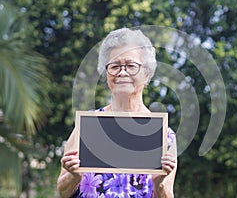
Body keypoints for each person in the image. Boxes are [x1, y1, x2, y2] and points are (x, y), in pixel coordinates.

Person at [57, 28, 177, 198]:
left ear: (147, 73)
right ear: (107, 73)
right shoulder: (88, 125)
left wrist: (159, 184)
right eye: (114, 66)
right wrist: (74, 176)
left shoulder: (164, 135)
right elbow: (62, 191)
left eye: (130, 65)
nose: (122, 72)